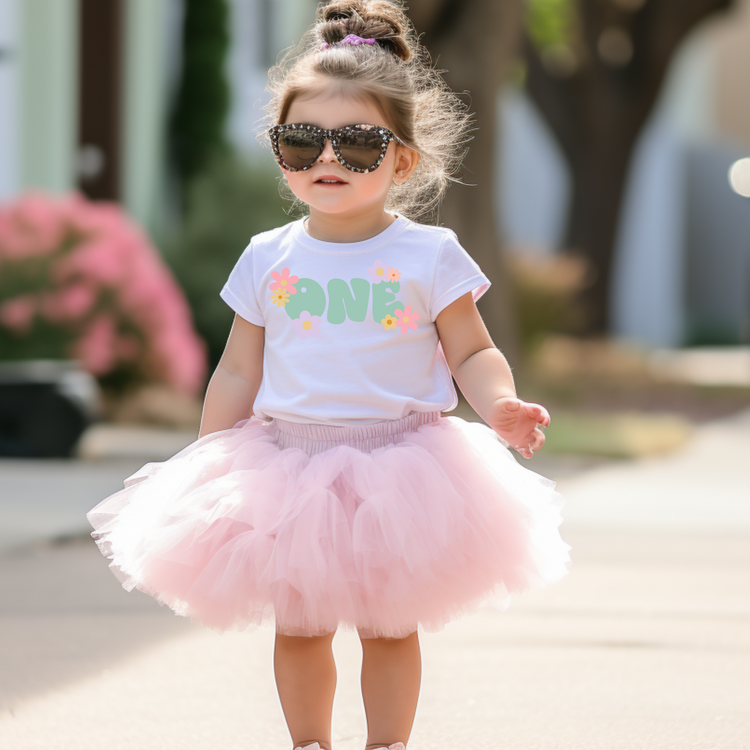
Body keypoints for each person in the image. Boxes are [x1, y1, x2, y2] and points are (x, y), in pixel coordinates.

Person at [86, 2, 572, 749]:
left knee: (387, 627)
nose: (328, 159)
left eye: (357, 143)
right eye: (302, 140)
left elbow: (472, 350)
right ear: (280, 151)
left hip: (401, 466)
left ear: (402, 159)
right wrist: (209, 460)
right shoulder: (268, 255)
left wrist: (499, 403)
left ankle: (387, 744)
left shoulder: (430, 255)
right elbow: (238, 366)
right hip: (289, 464)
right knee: (302, 626)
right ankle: (309, 742)